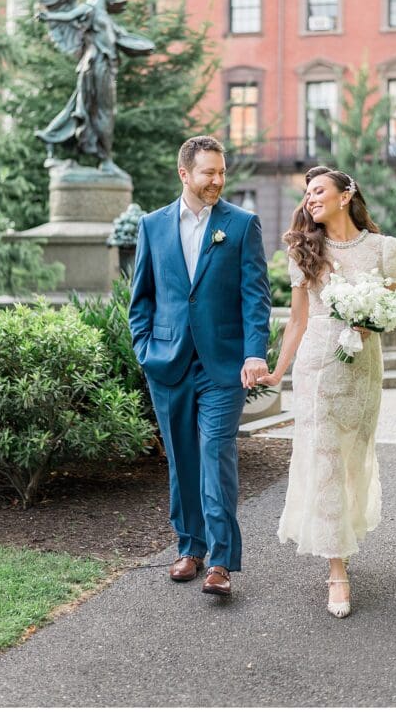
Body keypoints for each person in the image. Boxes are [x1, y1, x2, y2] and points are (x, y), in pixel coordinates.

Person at [258, 166, 396, 618]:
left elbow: (392, 307)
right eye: (306, 194)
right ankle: (336, 571)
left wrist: (370, 320)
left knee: (351, 459)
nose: (310, 200)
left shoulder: (385, 249)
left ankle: (344, 532)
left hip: (363, 367)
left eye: (318, 191)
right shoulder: (306, 251)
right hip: (318, 368)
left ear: (346, 195)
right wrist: (277, 371)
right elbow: (298, 320)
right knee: (324, 460)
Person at [128, 135, 271, 597]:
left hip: (222, 366)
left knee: (215, 455)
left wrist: (254, 352)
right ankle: (189, 548)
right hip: (167, 363)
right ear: (184, 174)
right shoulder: (152, 226)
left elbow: (256, 296)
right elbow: (141, 299)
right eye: (209, 172)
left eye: (222, 172)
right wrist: (145, 349)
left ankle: (222, 560)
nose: (217, 180)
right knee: (182, 460)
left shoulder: (242, 225)